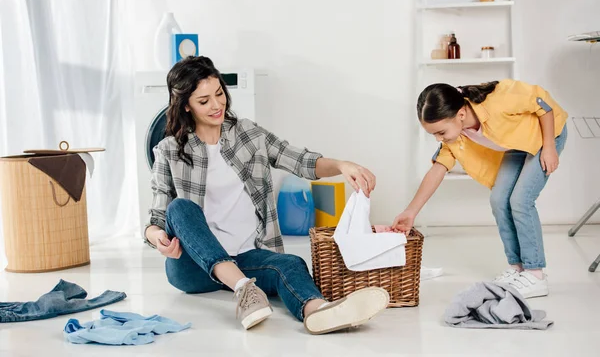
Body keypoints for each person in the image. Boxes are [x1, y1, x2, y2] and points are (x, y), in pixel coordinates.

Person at [143, 56, 389, 334]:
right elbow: (157, 219)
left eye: (219, 94)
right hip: (193, 268)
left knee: (291, 264)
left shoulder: (248, 134)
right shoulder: (168, 151)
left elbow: (300, 160)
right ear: (186, 105)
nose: (216, 105)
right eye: (204, 101)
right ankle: (244, 289)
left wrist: (343, 165)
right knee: (180, 208)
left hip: (248, 257)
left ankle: (319, 311)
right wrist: (159, 239)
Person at [392, 80, 568, 298]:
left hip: (546, 135)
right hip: (517, 145)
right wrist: (411, 212)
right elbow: (438, 168)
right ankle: (518, 268)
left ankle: (535, 274)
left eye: (440, 132)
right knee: (499, 199)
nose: (439, 138)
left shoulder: (498, 101)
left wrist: (550, 147)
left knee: (520, 200)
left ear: (461, 115)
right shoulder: (455, 137)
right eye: (434, 135)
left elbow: (543, 104)